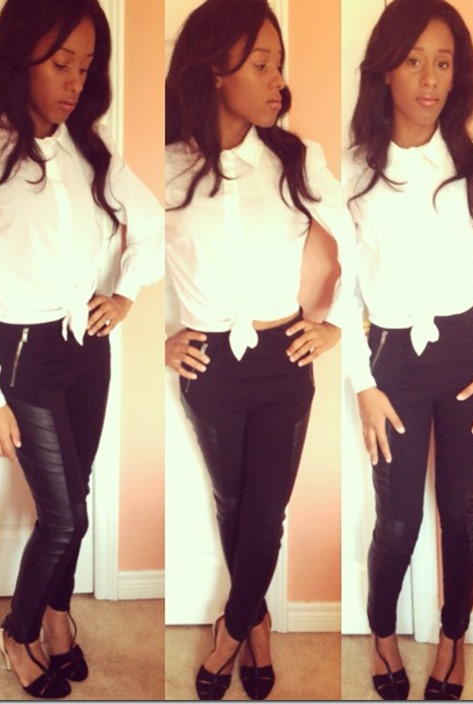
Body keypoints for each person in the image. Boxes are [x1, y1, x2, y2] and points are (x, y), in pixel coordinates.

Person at [164, 0, 350, 699]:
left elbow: (365, 244)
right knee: (233, 503)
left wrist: (336, 322)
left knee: (265, 513)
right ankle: (258, 620)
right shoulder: (167, 166)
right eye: (262, 65)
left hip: (283, 361)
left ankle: (231, 631)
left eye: (280, 65)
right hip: (207, 364)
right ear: (215, 72)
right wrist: (159, 335)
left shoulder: (297, 159)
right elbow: (118, 251)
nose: (279, 81)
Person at [343, 0, 473, 699]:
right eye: (413, 60)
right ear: (385, 69)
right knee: (397, 519)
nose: (429, 78)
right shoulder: (353, 172)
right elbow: (345, 294)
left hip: (470, 355)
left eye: (443, 63)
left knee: (461, 508)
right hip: (392, 364)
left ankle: (453, 638)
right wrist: (362, 385)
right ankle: (382, 634)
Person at [0, 0, 163, 699]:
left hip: (86, 347)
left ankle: (58, 616)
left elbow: (150, 223)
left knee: (77, 498)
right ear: (19, 57)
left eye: (86, 67)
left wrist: (124, 294)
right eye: (61, 62)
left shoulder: (90, 149)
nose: (74, 82)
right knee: (63, 518)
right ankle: (18, 632)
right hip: (21, 354)